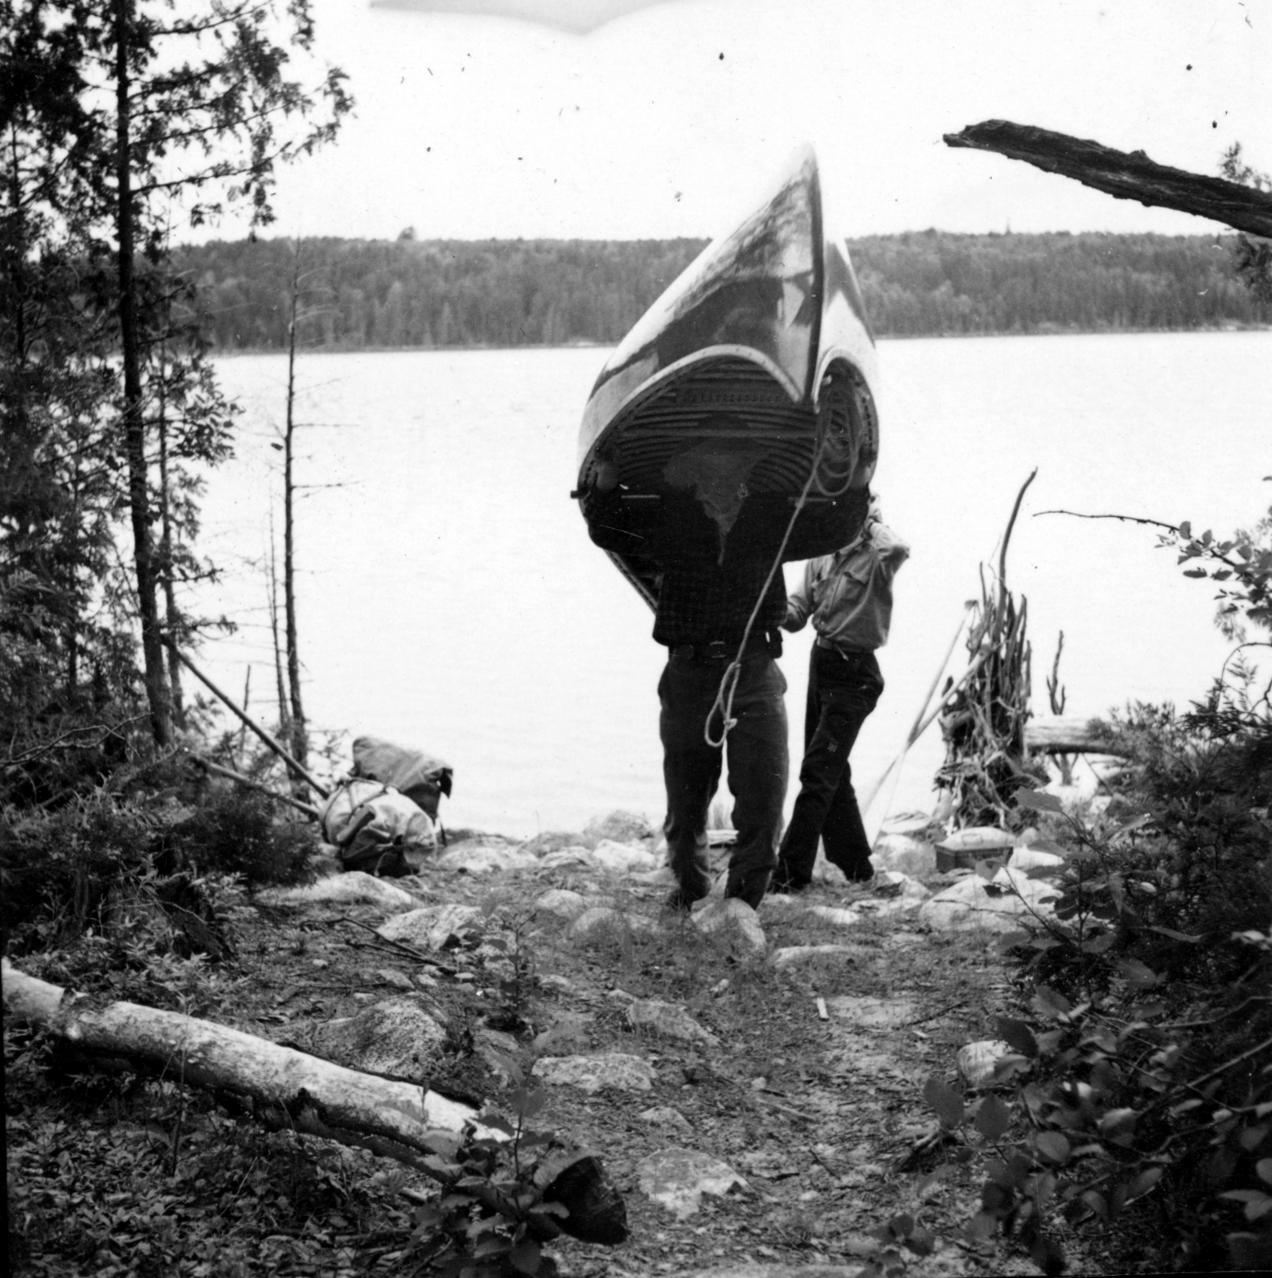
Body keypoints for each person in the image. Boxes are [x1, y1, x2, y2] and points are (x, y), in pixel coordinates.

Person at [586, 418, 865, 912]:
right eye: (708, 473)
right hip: (688, 673)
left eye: (733, 472)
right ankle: (691, 889)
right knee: (687, 800)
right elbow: (610, 529)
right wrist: (605, 481)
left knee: (763, 800)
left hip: (754, 673)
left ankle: (741, 904)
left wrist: (855, 474)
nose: (723, 483)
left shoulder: (769, 514)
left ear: (748, 477)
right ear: (691, 478)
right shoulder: (673, 515)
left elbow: (836, 526)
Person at [772, 495, 909, 893]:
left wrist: (868, 519)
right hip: (823, 664)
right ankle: (857, 868)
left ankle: (788, 874)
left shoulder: (878, 556)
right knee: (832, 768)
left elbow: (898, 547)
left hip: (855, 674)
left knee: (818, 771)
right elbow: (798, 614)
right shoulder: (822, 554)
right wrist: (772, 606)